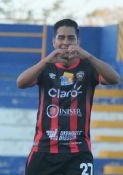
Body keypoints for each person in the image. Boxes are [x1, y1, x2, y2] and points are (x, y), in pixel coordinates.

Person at [16, 18, 120, 175]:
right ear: (53, 42)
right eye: (61, 37)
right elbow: (21, 83)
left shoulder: (88, 67)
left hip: (78, 152)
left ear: (78, 41)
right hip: (44, 150)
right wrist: (46, 60)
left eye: (71, 38)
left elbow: (114, 79)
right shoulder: (45, 67)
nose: (66, 42)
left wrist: (89, 57)